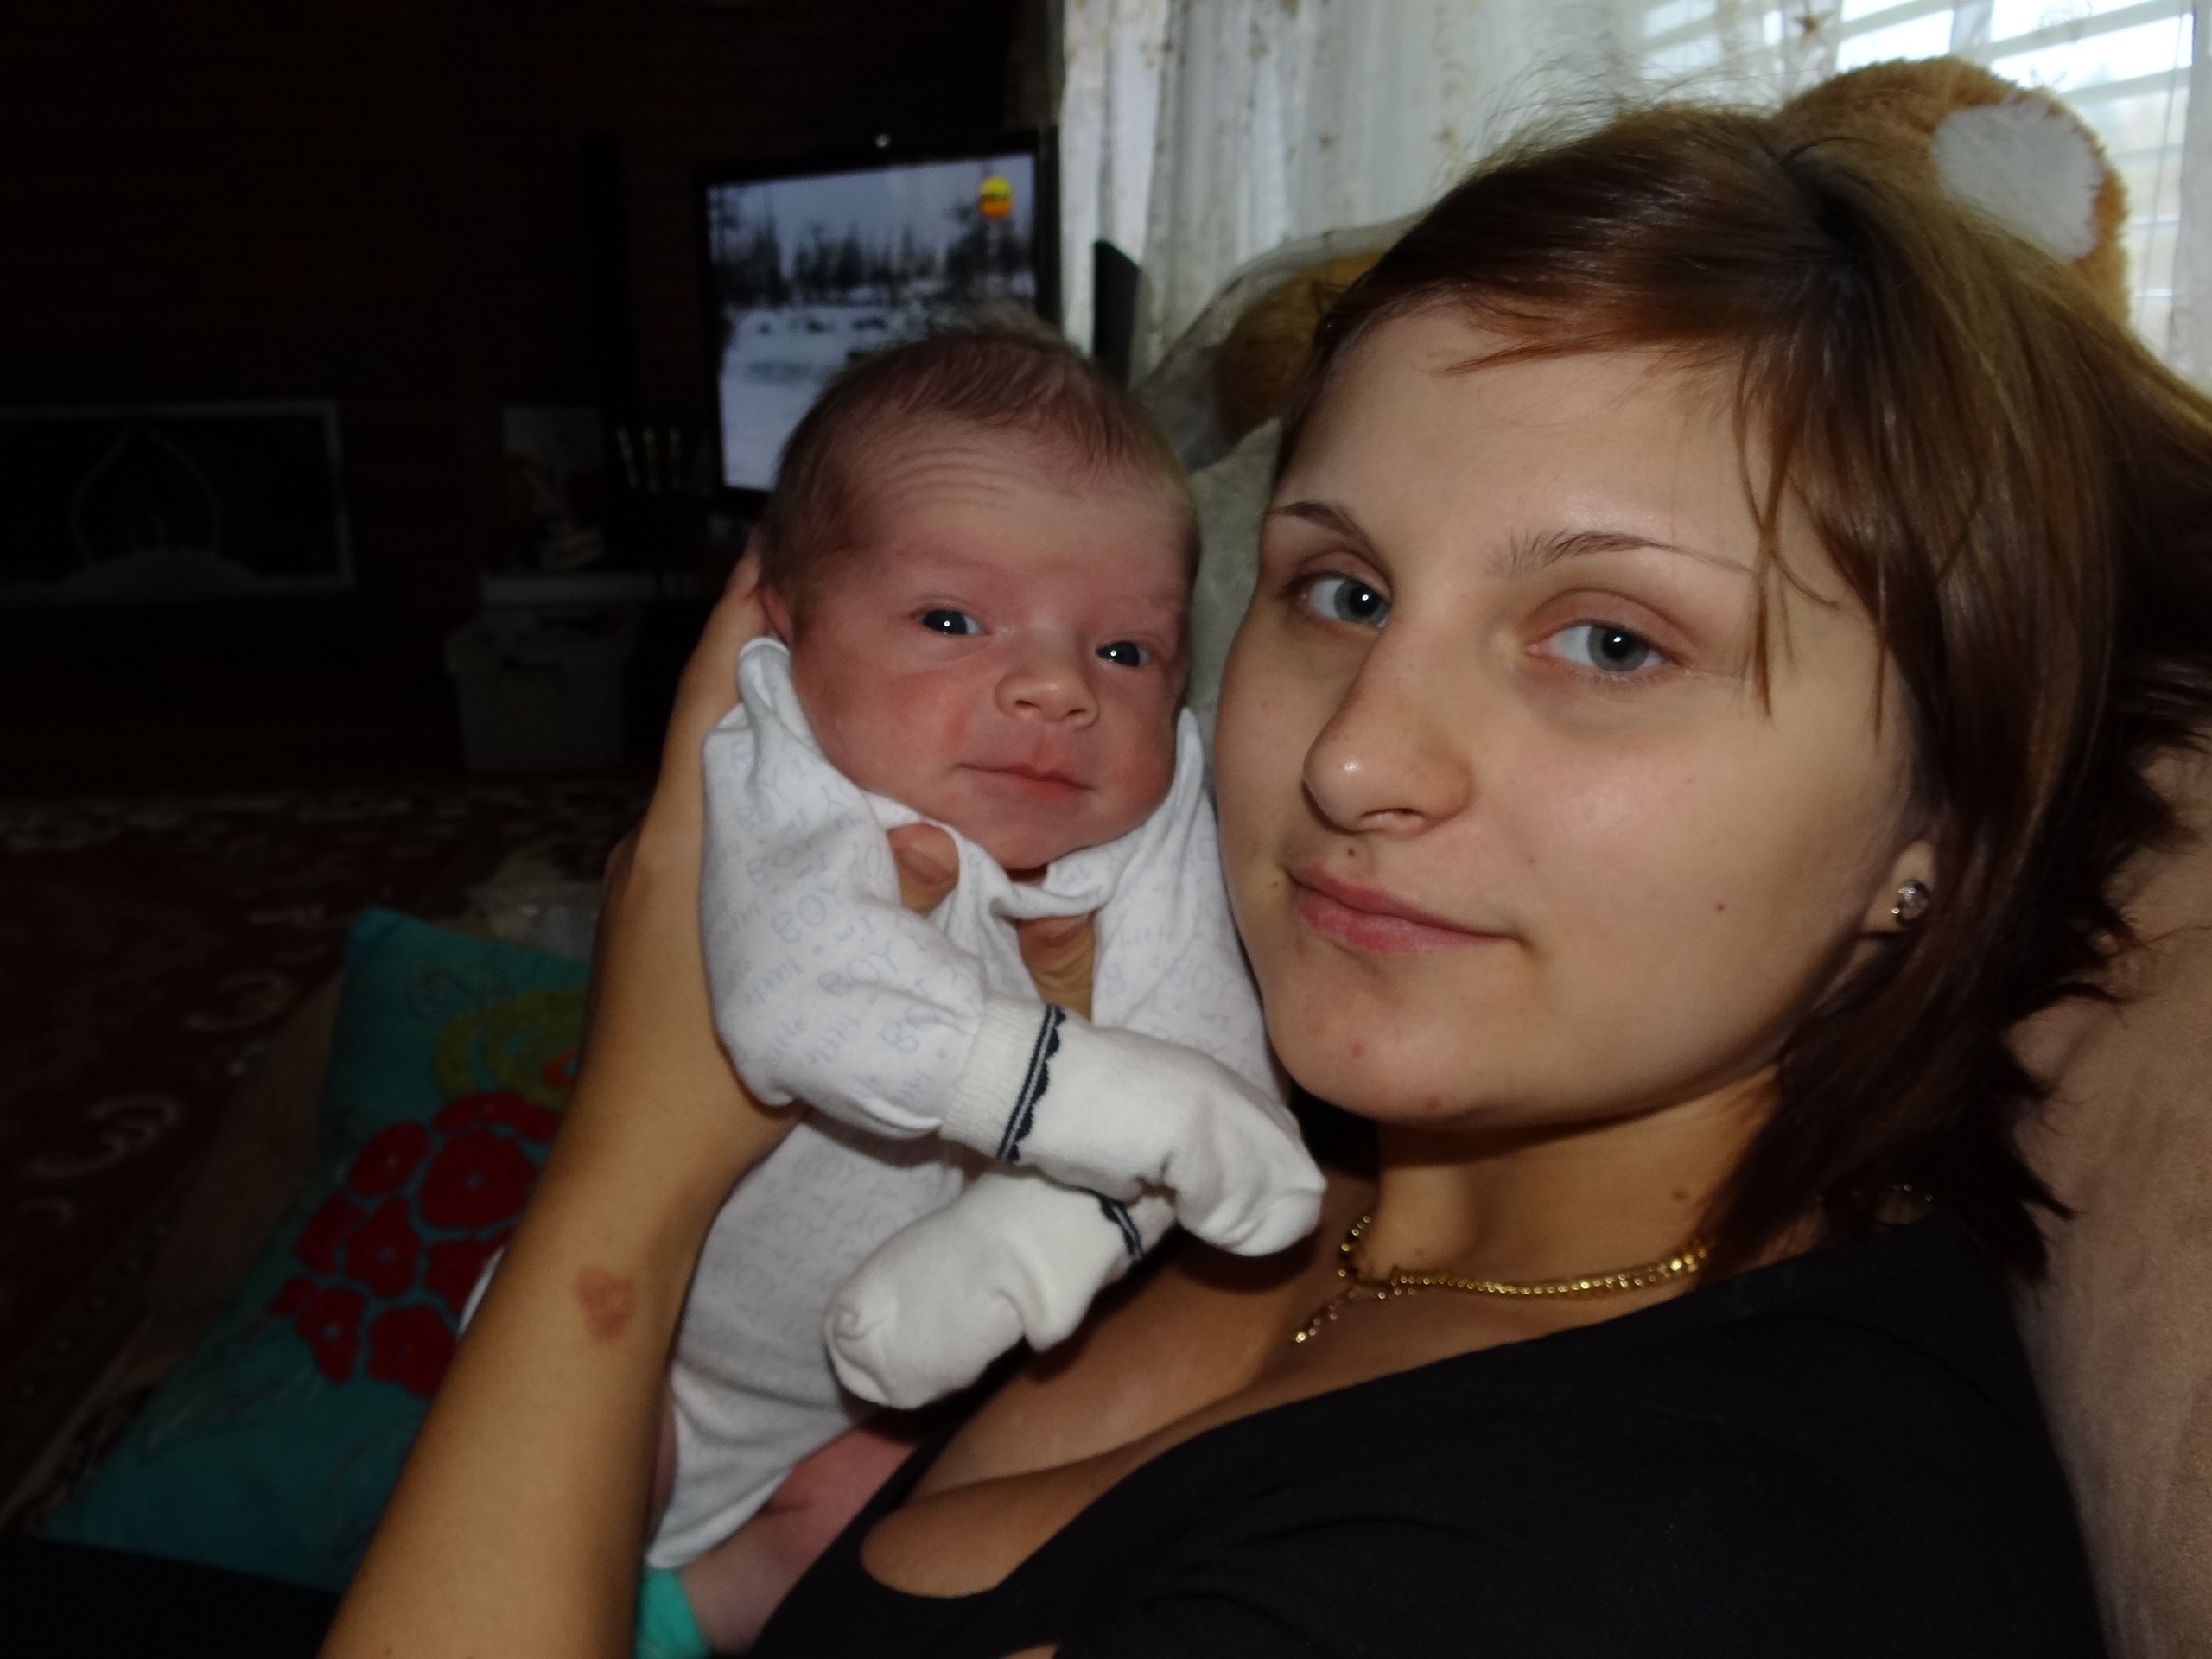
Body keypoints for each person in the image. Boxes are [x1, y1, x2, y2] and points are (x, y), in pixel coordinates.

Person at [324, 102, 2212, 1658]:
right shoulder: (1265, 1096)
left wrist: (632, 1172)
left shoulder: (1648, 1557)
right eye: (1343, 590)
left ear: (1940, 825)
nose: (1352, 757)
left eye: (1611, 642)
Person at [645, 327, 1320, 1654]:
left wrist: (1027, 1243)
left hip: (864, 1397)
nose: (1058, 688)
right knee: (574, 1479)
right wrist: (1105, 1098)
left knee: (862, 1520)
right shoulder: (785, 762)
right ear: (783, 628)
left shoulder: (1152, 805)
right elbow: (805, 1008)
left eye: (1126, 650)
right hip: (670, 1351)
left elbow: (1212, 1076)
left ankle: (699, 1609)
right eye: (953, 622)